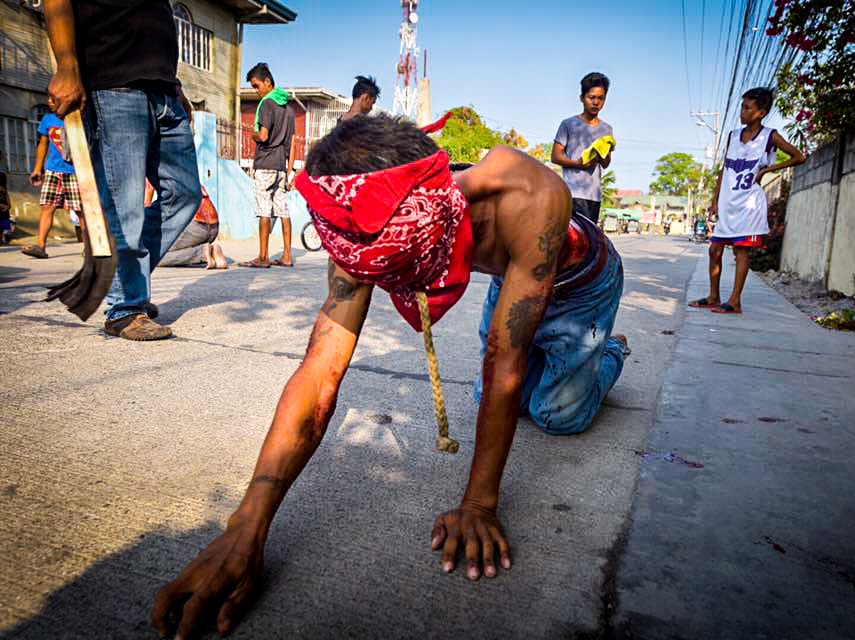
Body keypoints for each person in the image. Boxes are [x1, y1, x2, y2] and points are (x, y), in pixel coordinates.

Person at [151, 115, 630, 639]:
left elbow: (505, 364)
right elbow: (319, 372)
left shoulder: (529, 193)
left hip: (582, 284)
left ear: (435, 217)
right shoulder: (360, 221)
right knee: (495, 402)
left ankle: (611, 353)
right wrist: (247, 524)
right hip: (513, 279)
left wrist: (478, 505)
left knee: (554, 413)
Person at [43, 0, 202, 340]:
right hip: (113, 84)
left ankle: (127, 281)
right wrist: (67, 65)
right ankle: (125, 307)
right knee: (124, 207)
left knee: (186, 195)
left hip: (164, 89)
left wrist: (175, 83)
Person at [688, 87, 806, 314]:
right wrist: (715, 199)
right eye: (742, 107)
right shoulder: (733, 136)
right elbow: (724, 169)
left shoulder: (770, 136)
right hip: (729, 201)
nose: (742, 112)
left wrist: (768, 169)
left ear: (761, 112)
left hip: (750, 204)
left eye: (747, 108)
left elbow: (799, 156)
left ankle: (735, 301)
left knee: (741, 251)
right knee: (714, 249)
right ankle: (714, 296)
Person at [240, 62, 296, 269]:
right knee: (283, 211)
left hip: (265, 164)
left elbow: (263, 135)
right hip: (281, 166)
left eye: (256, 86)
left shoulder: (266, 104)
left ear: (267, 82)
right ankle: (287, 256)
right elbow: (292, 144)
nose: (256, 91)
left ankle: (263, 257)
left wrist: (252, 134)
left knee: (264, 210)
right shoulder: (288, 109)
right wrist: (289, 172)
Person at [551, 72, 614, 224]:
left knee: (589, 241)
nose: (596, 102)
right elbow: (555, 156)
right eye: (592, 97)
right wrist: (578, 164)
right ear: (582, 98)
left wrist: (600, 153)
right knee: (573, 239)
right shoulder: (568, 124)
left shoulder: (607, 129)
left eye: (601, 98)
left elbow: (606, 163)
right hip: (572, 192)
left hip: (594, 195)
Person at [20, 111, 83, 259]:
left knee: (81, 211)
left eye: (54, 98)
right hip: (53, 170)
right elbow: (43, 143)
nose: (51, 101)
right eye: (49, 98)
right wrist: (37, 168)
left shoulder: (78, 116)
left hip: (75, 170)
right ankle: (40, 246)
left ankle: (89, 248)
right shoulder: (48, 119)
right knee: (47, 207)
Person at [150, 182, 228, 269]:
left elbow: (144, 206)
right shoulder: (183, 172)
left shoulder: (151, 171)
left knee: (153, 255)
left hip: (194, 227)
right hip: (213, 227)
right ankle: (214, 254)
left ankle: (202, 253)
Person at [0, 151, 13, 244]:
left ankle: (1, 240)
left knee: (3, 225)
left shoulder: (2, 175)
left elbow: (5, 190)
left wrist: (8, 203)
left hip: (3, 204)